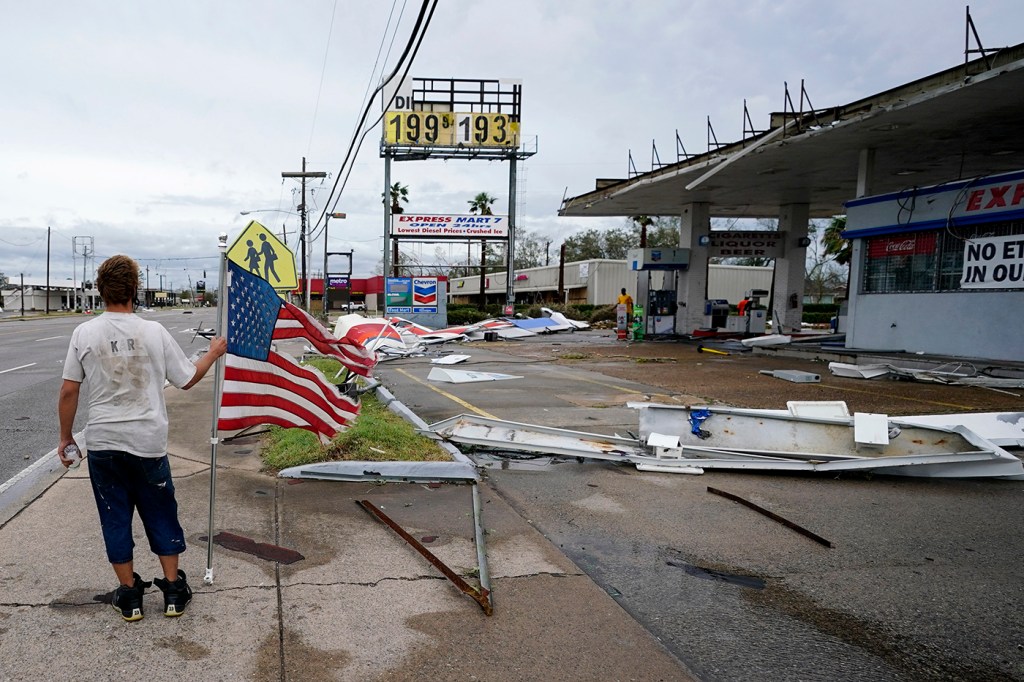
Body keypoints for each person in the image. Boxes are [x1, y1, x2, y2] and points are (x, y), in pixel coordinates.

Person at [58, 255, 227, 622]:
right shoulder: (154, 332)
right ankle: (172, 592)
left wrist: (66, 437)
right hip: (147, 444)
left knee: (114, 517)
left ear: (101, 291)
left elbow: (69, 391)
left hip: (103, 444)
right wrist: (212, 353)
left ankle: (130, 596)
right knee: (161, 512)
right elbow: (186, 379)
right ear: (135, 290)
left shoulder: (84, 334)